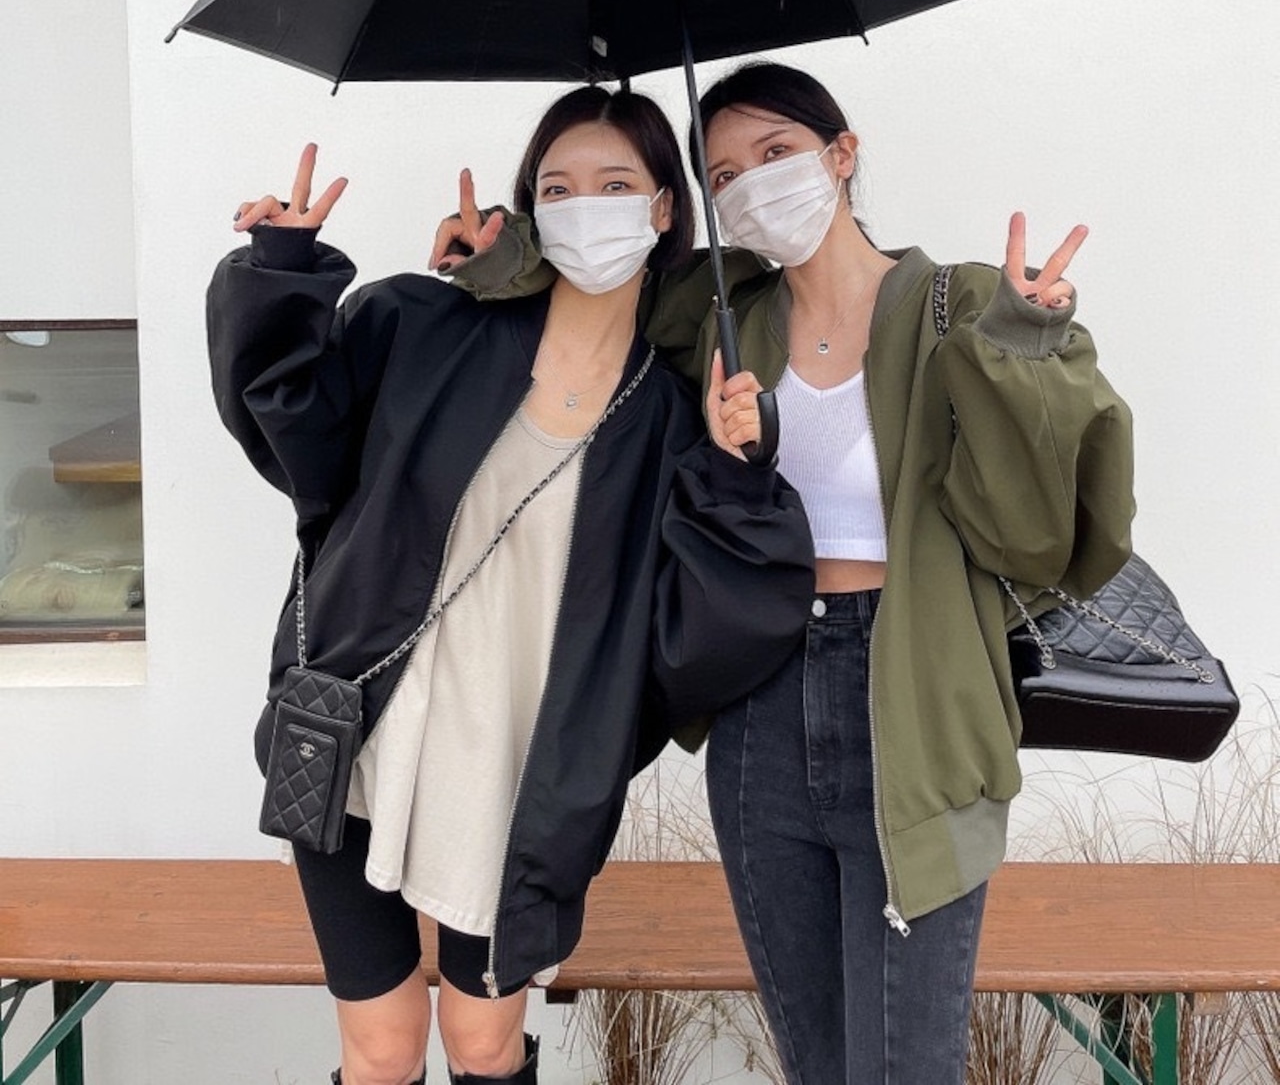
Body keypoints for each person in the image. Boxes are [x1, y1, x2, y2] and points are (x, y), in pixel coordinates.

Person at [435, 60, 1135, 1085]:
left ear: (841, 155)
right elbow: (600, 288)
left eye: (776, 154)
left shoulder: (963, 307)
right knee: (815, 1063)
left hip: (910, 700)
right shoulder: (725, 315)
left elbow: (1029, 536)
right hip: (760, 705)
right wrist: (499, 260)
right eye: (724, 175)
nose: (752, 186)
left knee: (902, 1068)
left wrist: (1025, 348)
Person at [207, 85, 814, 1085]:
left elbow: (699, 645)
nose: (587, 209)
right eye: (558, 188)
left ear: (665, 207)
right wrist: (280, 270)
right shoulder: (426, 326)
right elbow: (294, 432)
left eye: (615, 185)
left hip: (518, 782)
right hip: (358, 737)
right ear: (529, 207)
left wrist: (737, 482)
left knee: (484, 1043)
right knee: (381, 1048)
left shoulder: (669, 420)